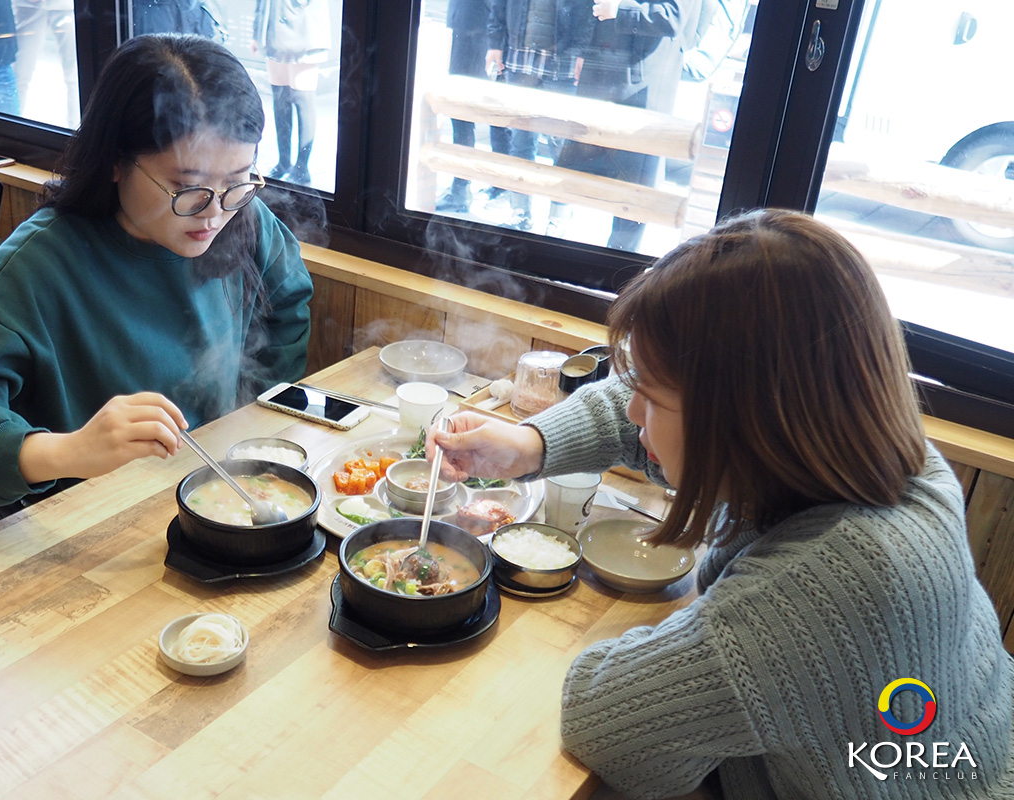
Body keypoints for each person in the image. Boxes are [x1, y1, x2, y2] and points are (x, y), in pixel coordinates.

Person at [431, 210, 1014, 798]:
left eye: (653, 397)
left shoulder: (832, 585)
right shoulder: (883, 457)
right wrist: (529, 444)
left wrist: (689, 653)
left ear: (744, 417)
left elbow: (605, 723)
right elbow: (639, 409)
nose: (634, 411)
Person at [0, 34, 314, 510]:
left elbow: (288, 301)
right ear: (115, 162)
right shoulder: (40, 265)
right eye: (187, 187)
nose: (214, 213)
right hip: (93, 526)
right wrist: (70, 451)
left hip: (222, 498)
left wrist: (250, 427)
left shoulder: (243, 216)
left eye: (237, 180)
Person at [553, 0, 698, 249]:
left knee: (633, 188)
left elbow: (673, 18)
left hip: (642, 85)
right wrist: (583, 50)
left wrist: (620, 10)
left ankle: (619, 264)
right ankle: (555, 244)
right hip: (603, 70)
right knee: (573, 168)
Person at [486, 0, 595, 231]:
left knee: (562, 146)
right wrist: (495, 42)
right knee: (521, 140)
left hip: (563, 60)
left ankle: (559, 217)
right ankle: (520, 212)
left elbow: (588, 6)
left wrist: (584, 49)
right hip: (520, 56)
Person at [252, 0, 332, 186]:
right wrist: (257, 32)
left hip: (303, 29)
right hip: (273, 28)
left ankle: (302, 167)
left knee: (303, 98)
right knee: (280, 98)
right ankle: (284, 162)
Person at [435, 0, 491, 214]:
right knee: (460, 117)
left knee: (462, 115)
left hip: (475, 35)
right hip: (467, 31)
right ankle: (461, 188)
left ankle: (461, 190)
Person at [12, 0, 80, 128]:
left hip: (64, 6)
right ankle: (12, 125)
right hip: (28, 6)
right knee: (20, 73)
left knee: (75, 75)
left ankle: (76, 128)